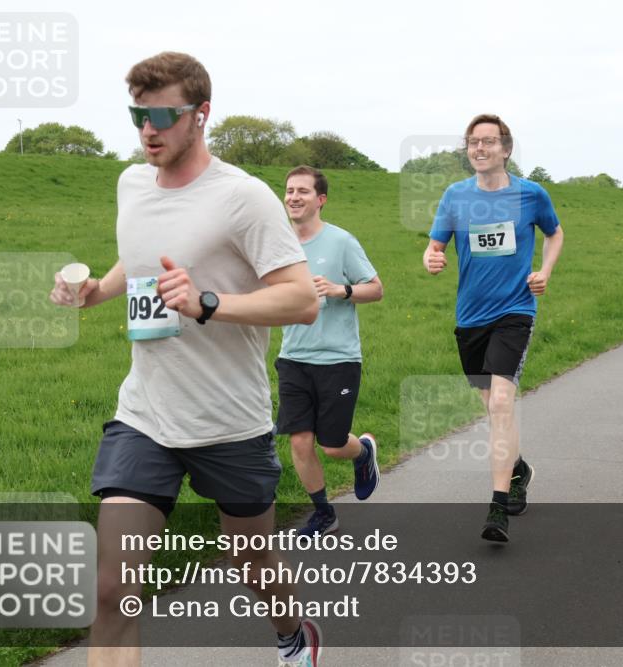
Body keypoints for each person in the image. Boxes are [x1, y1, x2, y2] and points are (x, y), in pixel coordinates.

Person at [49, 52, 324, 667]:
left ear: (201, 115)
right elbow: (143, 256)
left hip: (229, 420)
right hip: (146, 414)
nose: (149, 130)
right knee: (111, 590)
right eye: (137, 116)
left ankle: (292, 631)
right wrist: (97, 290)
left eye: (164, 116)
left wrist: (208, 302)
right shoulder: (131, 183)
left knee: (253, 565)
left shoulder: (243, 199)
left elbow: (303, 299)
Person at [423, 113, 564, 542]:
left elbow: (555, 234)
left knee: (502, 402)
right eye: (472, 142)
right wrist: (431, 258)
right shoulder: (455, 196)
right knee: (491, 407)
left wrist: (545, 270)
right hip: (470, 317)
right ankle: (518, 467)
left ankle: (498, 506)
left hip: (515, 312)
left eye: (488, 142)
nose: (479, 148)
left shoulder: (530, 194)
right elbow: (435, 245)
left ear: (505, 149)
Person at [276, 165, 384, 538]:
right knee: (300, 441)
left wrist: (342, 290)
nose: (293, 197)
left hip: (338, 359)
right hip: (293, 357)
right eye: (290, 190)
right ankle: (324, 514)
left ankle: (364, 452)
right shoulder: (279, 246)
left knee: (333, 445)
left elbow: (376, 288)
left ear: (320, 200)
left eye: (303, 191)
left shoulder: (341, 242)